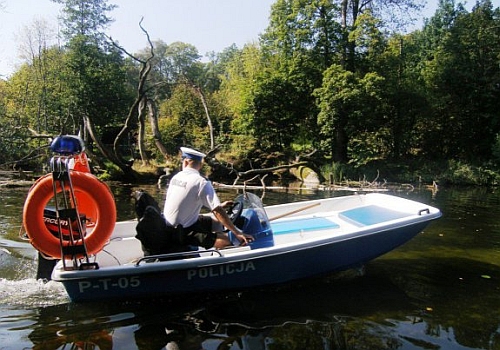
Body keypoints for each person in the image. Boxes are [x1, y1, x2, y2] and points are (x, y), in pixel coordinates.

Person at [163, 147, 252, 249]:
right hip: (182, 231)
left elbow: (186, 201)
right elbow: (217, 211)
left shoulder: (176, 177)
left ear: (185, 162)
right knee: (231, 240)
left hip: (171, 224)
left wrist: (220, 206)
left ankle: (216, 240)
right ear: (200, 165)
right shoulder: (201, 182)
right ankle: (219, 253)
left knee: (216, 221)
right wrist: (237, 232)